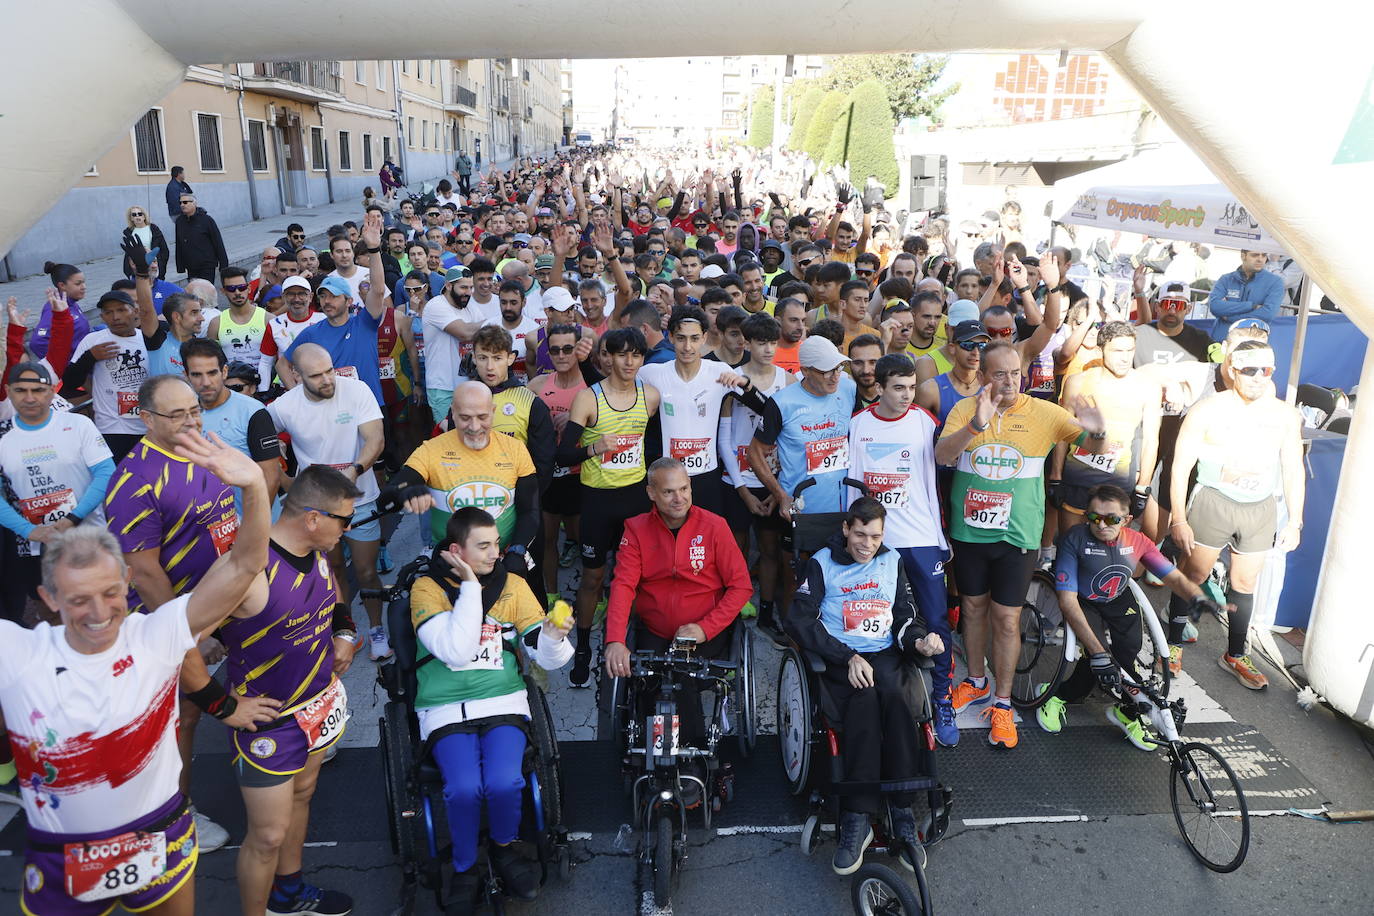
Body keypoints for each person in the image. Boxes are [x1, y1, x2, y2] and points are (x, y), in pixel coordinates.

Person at [0, 433, 268, 916]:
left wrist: (253, 487)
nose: (98, 613)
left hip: (159, 833)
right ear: (50, 600)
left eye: (108, 592)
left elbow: (247, 564)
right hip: (63, 856)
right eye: (77, 599)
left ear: (126, 581)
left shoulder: (154, 635)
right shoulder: (17, 654)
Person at [935, 342, 1108, 749]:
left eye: (1015, 372)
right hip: (970, 532)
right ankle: (976, 681)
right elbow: (942, 456)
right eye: (1000, 373)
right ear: (983, 377)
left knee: (1008, 620)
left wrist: (1099, 430)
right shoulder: (964, 410)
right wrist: (975, 425)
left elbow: (1096, 447)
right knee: (973, 609)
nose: (1010, 380)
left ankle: (1003, 702)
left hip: (1017, 535)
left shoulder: (1044, 413)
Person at [410, 506, 573, 912]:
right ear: (456, 550)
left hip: (502, 701)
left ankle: (503, 848)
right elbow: (456, 649)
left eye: (496, 544)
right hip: (445, 708)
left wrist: (551, 637)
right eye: (483, 547)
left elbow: (548, 657)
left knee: (503, 782)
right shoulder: (426, 589)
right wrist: (468, 585)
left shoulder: (514, 585)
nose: (494, 554)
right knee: (464, 789)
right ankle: (465, 867)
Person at [215, 466, 358, 916]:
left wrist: (345, 631)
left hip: (315, 706)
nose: (349, 529)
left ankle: (288, 894)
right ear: (313, 518)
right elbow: (178, 640)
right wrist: (222, 707)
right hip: (268, 724)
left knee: (303, 796)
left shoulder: (316, 549)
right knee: (267, 837)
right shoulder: (248, 569)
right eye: (344, 520)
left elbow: (333, 593)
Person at [786, 497, 945, 876]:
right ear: (846, 529)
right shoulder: (822, 563)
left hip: (884, 654)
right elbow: (800, 620)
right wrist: (845, 657)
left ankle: (902, 808)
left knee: (899, 699)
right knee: (862, 701)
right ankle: (857, 815)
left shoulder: (892, 561)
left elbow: (906, 616)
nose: (867, 544)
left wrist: (920, 641)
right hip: (843, 656)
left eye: (875, 536)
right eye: (860, 534)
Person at [603, 458, 750, 783]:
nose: (678, 498)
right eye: (668, 491)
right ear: (651, 493)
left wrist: (705, 628)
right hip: (655, 630)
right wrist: (614, 640)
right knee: (648, 681)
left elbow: (741, 586)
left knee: (679, 676)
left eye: (684, 489)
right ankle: (652, 755)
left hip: (705, 633)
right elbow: (623, 586)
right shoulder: (636, 529)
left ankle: (692, 760)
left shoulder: (714, 526)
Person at [1167, 341, 1304, 688]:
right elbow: (1180, 465)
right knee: (1194, 573)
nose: (1258, 378)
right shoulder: (1208, 409)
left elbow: (1293, 468)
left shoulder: (1284, 414)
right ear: (1232, 369)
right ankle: (1171, 643)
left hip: (1259, 508)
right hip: (1214, 501)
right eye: (1249, 370)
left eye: (1266, 370)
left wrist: (1296, 520)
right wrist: (1179, 517)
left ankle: (1235, 654)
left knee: (1244, 583)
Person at [1041, 484, 1220, 749]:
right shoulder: (1075, 539)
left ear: (1126, 520)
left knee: (1127, 655)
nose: (1102, 525)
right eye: (1094, 517)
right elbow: (1067, 600)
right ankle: (1058, 696)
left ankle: (1126, 711)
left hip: (1118, 598)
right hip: (1083, 601)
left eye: (1112, 519)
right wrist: (1099, 653)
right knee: (1099, 657)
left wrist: (1197, 597)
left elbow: (1170, 575)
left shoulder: (1137, 541)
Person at [848, 355, 956, 745]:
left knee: (936, 619)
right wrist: (854, 536)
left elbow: (934, 479)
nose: (907, 396)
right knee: (879, 616)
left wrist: (941, 539)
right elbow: (853, 483)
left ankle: (943, 699)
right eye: (898, 388)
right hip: (879, 540)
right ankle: (885, 695)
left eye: (911, 388)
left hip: (922, 538)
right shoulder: (858, 423)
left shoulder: (924, 422)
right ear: (878, 388)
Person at [268, 344, 391, 661]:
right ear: (296, 375)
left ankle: (377, 630)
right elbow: (260, 437)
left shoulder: (356, 390)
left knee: (365, 571)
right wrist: (284, 477)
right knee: (332, 572)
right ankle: (345, 634)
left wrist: (355, 471)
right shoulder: (285, 406)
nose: (327, 380)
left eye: (329, 371)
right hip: (317, 510)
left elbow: (376, 439)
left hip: (360, 499)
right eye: (316, 375)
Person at [556, 328, 661, 687]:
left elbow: (654, 450)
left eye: (636, 355)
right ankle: (584, 646)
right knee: (593, 578)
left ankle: (634, 643)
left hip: (635, 500)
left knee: (638, 578)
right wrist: (593, 448)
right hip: (598, 501)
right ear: (607, 358)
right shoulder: (589, 398)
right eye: (621, 355)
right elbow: (563, 453)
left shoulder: (650, 397)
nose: (629, 362)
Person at [0, 362, 114, 619]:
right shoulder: (2, 436)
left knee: (103, 606)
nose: (29, 398)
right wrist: (29, 531)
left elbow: (106, 473)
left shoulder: (77, 425)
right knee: (52, 613)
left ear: (51, 392)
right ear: (8, 391)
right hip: (33, 546)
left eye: (38, 390)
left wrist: (72, 519)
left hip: (87, 535)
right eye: (20, 390)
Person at [638, 305, 760, 515]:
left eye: (694, 338)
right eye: (681, 338)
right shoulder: (651, 373)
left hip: (707, 476)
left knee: (706, 539)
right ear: (671, 338)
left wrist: (745, 383)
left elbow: (763, 407)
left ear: (704, 338)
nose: (687, 346)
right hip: (669, 478)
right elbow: (613, 391)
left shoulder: (719, 371)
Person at [719, 313, 794, 642]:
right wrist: (742, 488)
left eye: (772, 342)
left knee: (770, 550)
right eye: (761, 342)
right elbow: (723, 437)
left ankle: (765, 612)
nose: (768, 349)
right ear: (746, 343)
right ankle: (731, 609)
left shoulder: (789, 381)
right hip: (735, 479)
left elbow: (791, 436)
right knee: (735, 550)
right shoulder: (730, 378)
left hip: (772, 479)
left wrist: (776, 487)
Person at [1053, 322, 1161, 548]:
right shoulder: (1078, 381)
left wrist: (1142, 487)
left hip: (1118, 482)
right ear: (1101, 349)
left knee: (1108, 553)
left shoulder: (1148, 386)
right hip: (1078, 479)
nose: (1125, 357)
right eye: (1117, 351)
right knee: (1070, 547)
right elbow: (1063, 432)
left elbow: (1152, 439)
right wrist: (1055, 476)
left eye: (1129, 350)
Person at [748, 336, 857, 522]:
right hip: (800, 508)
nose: (835, 376)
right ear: (805, 370)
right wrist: (780, 494)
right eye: (826, 371)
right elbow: (754, 454)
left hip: (844, 505)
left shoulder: (849, 389)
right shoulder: (782, 402)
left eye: (838, 368)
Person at [530, 324, 590, 599]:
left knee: (585, 540)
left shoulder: (592, 386)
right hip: (549, 476)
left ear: (578, 349)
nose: (562, 355)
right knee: (548, 539)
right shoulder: (537, 386)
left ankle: (591, 595)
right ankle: (552, 596)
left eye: (568, 349)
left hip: (583, 474)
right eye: (555, 350)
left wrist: (581, 420)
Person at [182, 338, 280, 503]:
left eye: (212, 373)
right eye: (197, 375)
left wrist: (254, 525)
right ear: (186, 376)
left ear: (224, 372)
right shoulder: (181, 415)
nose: (205, 382)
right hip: (207, 521)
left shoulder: (253, 412)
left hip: (248, 521)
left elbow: (271, 478)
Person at [61, 290, 149, 461]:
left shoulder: (148, 338)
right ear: (102, 317)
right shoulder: (93, 341)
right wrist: (90, 357)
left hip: (149, 425)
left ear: (135, 311)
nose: (115, 317)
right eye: (108, 312)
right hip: (112, 427)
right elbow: (70, 381)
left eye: (121, 310)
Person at [422, 265, 486, 421]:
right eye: (463, 287)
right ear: (449, 285)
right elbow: (465, 333)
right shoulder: (436, 305)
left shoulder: (470, 305)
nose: (469, 292)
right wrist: (495, 321)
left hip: (469, 385)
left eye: (471, 287)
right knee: (447, 437)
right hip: (443, 387)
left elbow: (484, 335)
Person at [259, 276, 326, 391]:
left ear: (310, 297)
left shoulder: (323, 321)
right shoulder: (274, 324)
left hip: (320, 386)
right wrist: (262, 392)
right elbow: (265, 362)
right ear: (284, 297)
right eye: (291, 294)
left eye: (302, 294)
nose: (296, 299)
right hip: (285, 389)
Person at [916, 320, 987, 425]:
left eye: (982, 346)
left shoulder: (992, 386)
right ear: (952, 348)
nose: (976, 352)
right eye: (968, 345)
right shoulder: (930, 390)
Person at [1206, 249, 1284, 340]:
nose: (1260, 259)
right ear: (1243, 256)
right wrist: (1251, 306)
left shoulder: (1275, 282)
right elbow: (1215, 306)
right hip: (1221, 340)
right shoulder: (1226, 279)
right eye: (1255, 255)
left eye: (1264, 255)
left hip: (1252, 344)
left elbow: (1267, 314)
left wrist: (1229, 317)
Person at [208, 267, 269, 367]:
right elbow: (210, 359)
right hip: (229, 380)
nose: (237, 293)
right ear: (223, 291)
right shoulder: (216, 323)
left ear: (248, 288)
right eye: (231, 289)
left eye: (241, 288)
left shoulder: (267, 319)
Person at [172, 192, 228, 283]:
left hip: (207, 265)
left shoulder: (207, 220)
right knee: (194, 294)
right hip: (191, 266)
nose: (182, 205)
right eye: (180, 203)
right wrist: (180, 266)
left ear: (194, 203)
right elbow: (179, 244)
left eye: (185, 202)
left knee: (205, 293)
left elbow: (217, 242)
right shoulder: (179, 221)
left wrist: (224, 264)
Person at [122, 205, 169, 280]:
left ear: (144, 216)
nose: (137, 216)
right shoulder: (129, 232)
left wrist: (161, 265)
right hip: (138, 268)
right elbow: (128, 254)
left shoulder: (153, 229)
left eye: (140, 214)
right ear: (131, 218)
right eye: (134, 215)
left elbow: (164, 250)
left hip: (153, 265)